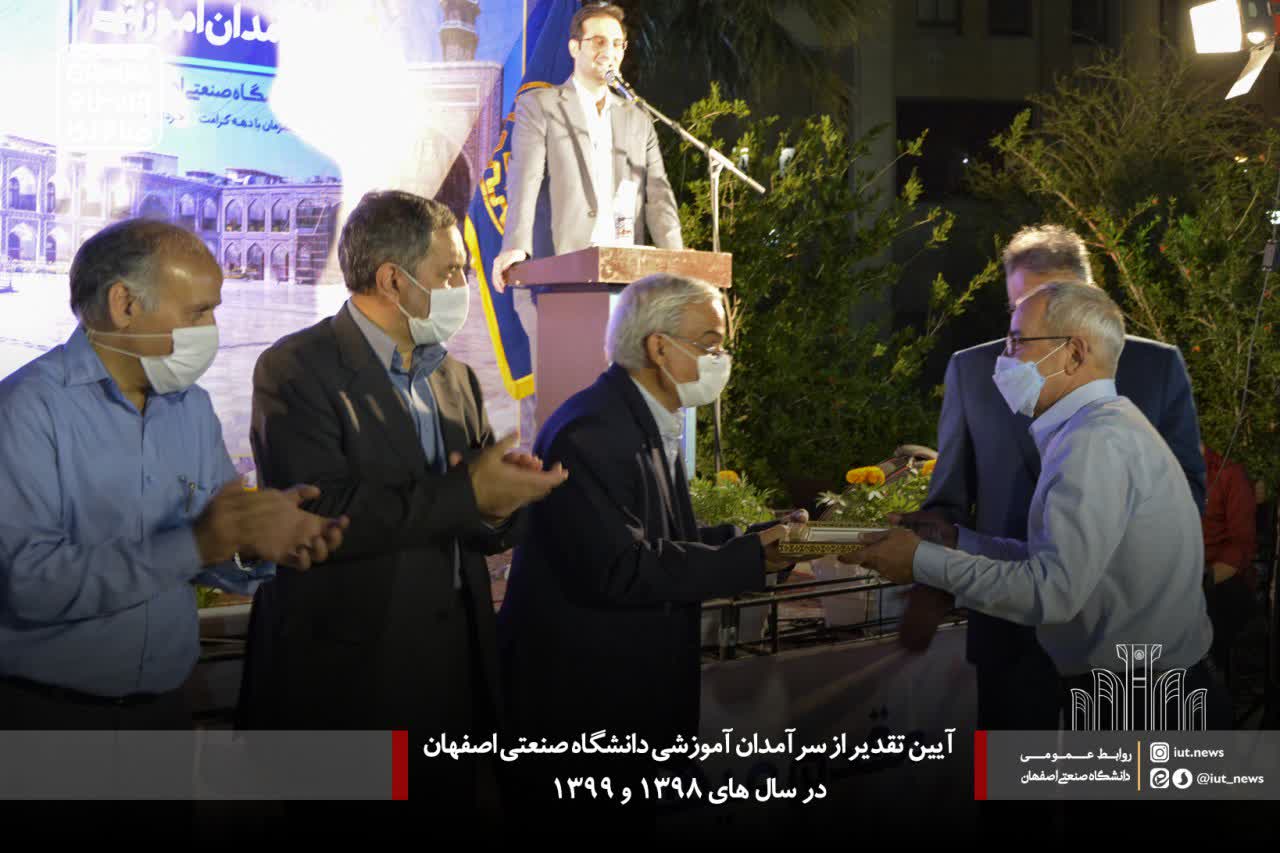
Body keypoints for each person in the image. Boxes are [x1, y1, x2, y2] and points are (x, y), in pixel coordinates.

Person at [246, 191, 567, 812]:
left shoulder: (456, 378)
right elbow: (320, 517)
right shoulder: (294, 369)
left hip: (454, 674)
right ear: (392, 279)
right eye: (451, 272)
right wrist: (468, 492)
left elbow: (475, 522)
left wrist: (501, 504)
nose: (463, 286)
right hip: (349, 683)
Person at [0, 218, 346, 732]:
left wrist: (253, 543)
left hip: (165, 710)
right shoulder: (27, 410)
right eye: (198, 311)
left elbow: (213, 548)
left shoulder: (192, 408)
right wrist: (196, 543)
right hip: (48, 717)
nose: (211, 329)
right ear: (124, 304)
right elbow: (27, 585)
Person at [497, 273, 806, 820]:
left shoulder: (637, 418)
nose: (721, 359)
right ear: (659, 348)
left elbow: (664, 540)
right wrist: (752, 558)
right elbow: (622, 567)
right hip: (589, 716)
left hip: (631, 706)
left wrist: (758, 540)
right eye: (710, 343)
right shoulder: (593, 430)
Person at [855, 281, 1228, 731]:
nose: (1002, 358)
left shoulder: (1095, 441)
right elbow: (1054, 561)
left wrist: (921, 562)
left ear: (1074, 353)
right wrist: (956, 540)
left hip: (1142, 702)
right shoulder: (1099, 428)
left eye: (1017, 342)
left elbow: (1052, 593)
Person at [491, 2, 683, 435]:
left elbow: (659, 196)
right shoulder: (541, 105)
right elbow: (523, 178)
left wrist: (677, 261)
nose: (607, 50)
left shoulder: (638, 118)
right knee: (559, 408)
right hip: (555, 280)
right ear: (574, 47)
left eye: (616, 43)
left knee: (619, 408)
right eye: (597, 41)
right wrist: (515, 245)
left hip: (622, 284)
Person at [1201, 442, 1258, 677]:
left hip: (1221, 579)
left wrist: (1203, 580)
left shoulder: (1229, 474)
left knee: (1213, 603)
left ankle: (1208, 679)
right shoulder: (1158, 472)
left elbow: (1240, 547)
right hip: (1173, 578)